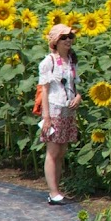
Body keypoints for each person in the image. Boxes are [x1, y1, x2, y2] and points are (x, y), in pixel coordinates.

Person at [38, 24, 82, 205]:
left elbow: (76, 85)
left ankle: (57, 189)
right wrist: (46, 117)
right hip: (54, 111)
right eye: (64, 37)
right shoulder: (48, 62)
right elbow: (44, 91)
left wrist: (79, 97)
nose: (69, 40)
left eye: (70, 36)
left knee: (62, 151)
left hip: (68, 111)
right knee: (53, 152)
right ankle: (53, 192)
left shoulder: (72, 61)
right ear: (55, 41)